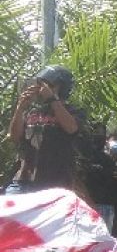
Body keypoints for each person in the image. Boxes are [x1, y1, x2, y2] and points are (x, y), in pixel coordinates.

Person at [6, 65, 85, 193]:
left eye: (48, 85)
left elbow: (71, 128)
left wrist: (52, 99)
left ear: (62, 87)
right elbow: (14, 137)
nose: (42, 88)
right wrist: (20, 108)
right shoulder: (30, 112)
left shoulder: (74, 111)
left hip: (56, 183)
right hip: (24, 181)